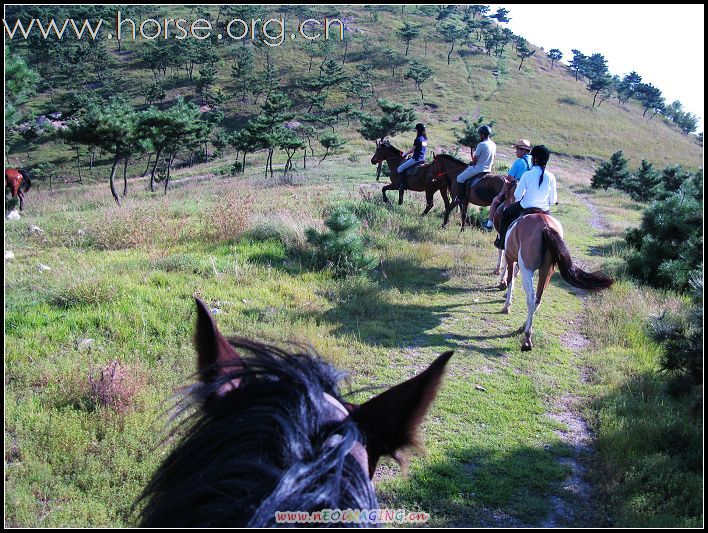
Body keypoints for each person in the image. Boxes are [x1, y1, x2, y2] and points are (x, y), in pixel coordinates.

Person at [495, 145, 557, 249]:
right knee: (554, 227)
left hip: (525, 207)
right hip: (544, 209)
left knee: (505, 214)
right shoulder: (551, 177)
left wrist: (521, 200)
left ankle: (501, 242)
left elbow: (517, 195)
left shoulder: (527, 174)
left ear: (535, 159)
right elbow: (553, 200)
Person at [481, 139, 533, 230]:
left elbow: (509, 178)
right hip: (529, 190)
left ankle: (489, 224)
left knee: (495, 201)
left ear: (523, 150)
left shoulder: (519, 162)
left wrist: (501, 193)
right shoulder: (533, 161)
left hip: (517, 188)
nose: (516, 152)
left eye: (517, 149)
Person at [455, 125, 496, 201]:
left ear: (482, 134)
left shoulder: (481, 144)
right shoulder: (493, 144)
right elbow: (493, 157)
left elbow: (475, 159)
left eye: (479, 134)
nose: (479, 136)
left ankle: (461, 197)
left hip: (479, 169)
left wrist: (472, 163)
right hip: (488, 169)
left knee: (459, 178)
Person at [396, 123, 428, 191]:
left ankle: (403, 185)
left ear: (418, 130)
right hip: (423, 159)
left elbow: (412, 150)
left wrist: (405, 154)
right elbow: (421, 149)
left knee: (400, 169)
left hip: (416, 159)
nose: (415, 131)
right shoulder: (425, 139)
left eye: (416, 129)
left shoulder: (418, 139)